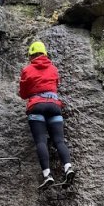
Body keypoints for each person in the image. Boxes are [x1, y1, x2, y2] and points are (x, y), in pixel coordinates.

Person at [18, 41, 74, 190]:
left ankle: (47, 175)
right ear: (44, 53)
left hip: (37, 106)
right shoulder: (53, 69)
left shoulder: (27, 69)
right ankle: (68, 167)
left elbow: (23, 94)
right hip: (54, 106)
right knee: (59, 141)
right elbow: (56, 84)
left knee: (41, 141)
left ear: (31, 55)